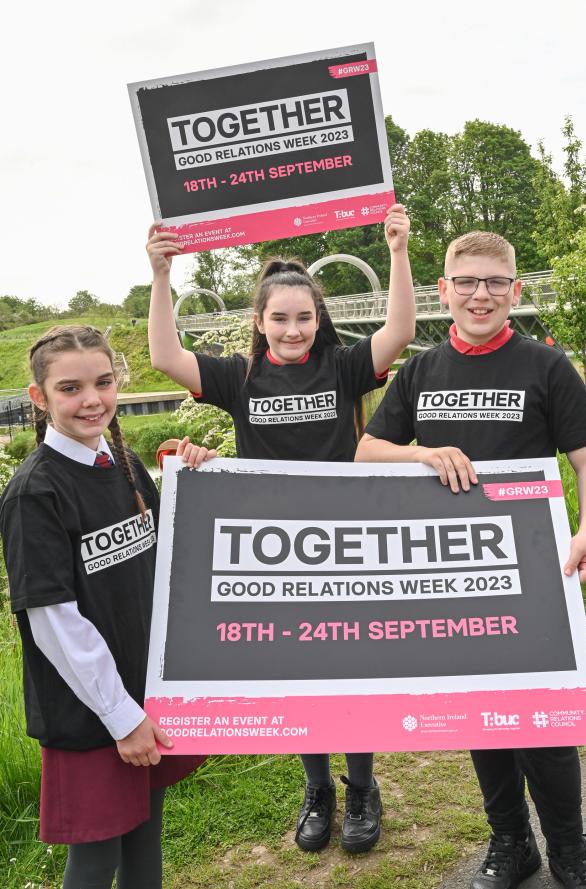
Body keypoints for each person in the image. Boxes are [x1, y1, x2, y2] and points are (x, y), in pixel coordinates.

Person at [146, 205, 416, 853]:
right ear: (259, 322)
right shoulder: (239, 376)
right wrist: (161, 275)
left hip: (346, 542)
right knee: (298, 675)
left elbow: (401, 329)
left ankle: (361, 788)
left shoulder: (345, 367)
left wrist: (399, 251)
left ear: (319, 319)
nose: (293, 329)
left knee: (351, 672)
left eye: (304, 317)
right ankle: (317, 789)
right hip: (273, 553)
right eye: (280, 318)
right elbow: (164, 355)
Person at [355, 231, 586, 889]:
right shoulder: (421, 371)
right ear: (443, 291)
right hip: (452, 578)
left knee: (544, 720)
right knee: (483, 714)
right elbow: (367, 452)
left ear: (514, 291)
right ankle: (511, 844)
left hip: (534, 574)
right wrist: (421, 452)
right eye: (466, 280)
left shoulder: (545, 366)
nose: (480, 293)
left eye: (495, 282)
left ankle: (571, 849)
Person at [0, 325, 214, 889]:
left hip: (144, 689)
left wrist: (198, 482)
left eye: (103, 382)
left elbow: (162, 549)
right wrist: (123, 716)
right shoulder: (34, 493)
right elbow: (53, 623)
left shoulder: (120, 460)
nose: (92, 399)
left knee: (145, 831)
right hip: (93, 709)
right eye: (70, 388)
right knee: (97, 859)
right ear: (39, 398)